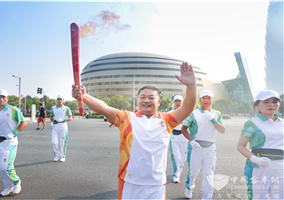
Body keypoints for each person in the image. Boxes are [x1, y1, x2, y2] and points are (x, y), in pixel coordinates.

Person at [72, 62, 197, 200]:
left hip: (156, 184)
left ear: (159, 101)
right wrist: (84, 96)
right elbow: (105, 108)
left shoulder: (167, 120)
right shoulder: (126, 117)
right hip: (130, 182)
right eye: (142, 97)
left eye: (151, 97)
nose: (146, 100)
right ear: (137, 100)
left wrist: (191, 85)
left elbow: (187, 107)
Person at [237, 90, 283, 200]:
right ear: (257, 104)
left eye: (275, 101)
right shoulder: (252, 123)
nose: (271, 105)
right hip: (259, 167)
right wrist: (255, 159)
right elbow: (240, 146)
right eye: (266, 101)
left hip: (280, 167)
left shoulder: (282, 122)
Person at [181, 90, 226, 199]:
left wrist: (213, 119)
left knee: (209, 175)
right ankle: (189, 187)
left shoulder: (217, 114)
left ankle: (207, 197)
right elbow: (183, 129)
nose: (206, 100)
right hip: (195, 147)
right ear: (200, 100)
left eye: (209, 98)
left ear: (212, 100)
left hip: (210, 149)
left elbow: (223, 130)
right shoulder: (194, 113)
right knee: (192, 174)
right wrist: (192, 141)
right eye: (204, 98)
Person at [0, 89, 27, 196]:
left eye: (3, 97)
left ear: (7, 99)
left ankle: (16, 182)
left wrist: (14, 132)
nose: (1, 99)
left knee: (6, 167)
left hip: (10, 142)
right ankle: (8, 185)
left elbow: (23, 122)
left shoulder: (13, 110)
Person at [169, 95, 189, 183]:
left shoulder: (187, 113)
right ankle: (176, 174)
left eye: (179, 101)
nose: (177, 103)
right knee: (176, 157)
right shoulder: (170, 113)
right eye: (176, 101)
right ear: (173, 102)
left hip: (184, 138)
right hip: (174, 137)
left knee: (184, 158)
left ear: (182, 102)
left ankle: (179, 169)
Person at [50, 95, 72, 162]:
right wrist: (52, 122)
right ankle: (57, 154)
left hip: (63, 128)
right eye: (58, 99)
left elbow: (70, 118)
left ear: (63, 100)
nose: (59, 100)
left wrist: (64, 119)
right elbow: (51, 116)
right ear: (56, 100)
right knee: (54, 142)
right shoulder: (53, 108)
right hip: (55, 128)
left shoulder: (66, 108)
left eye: (61, 99)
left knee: (62, 143)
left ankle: (63, 156)